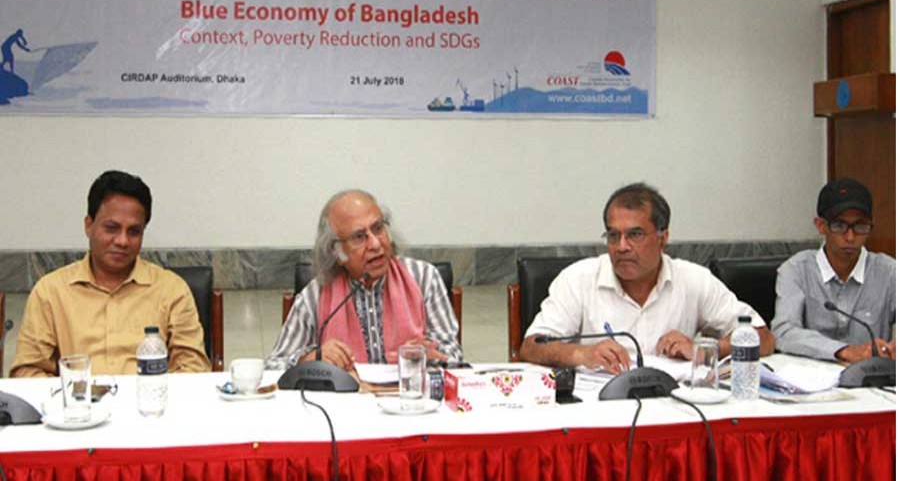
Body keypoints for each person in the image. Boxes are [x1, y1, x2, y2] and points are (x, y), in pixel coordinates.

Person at [519, 182, 775, 373]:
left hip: (675, 412)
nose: (621, 247)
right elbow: (531, 347)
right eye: (613, 235)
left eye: (635, 235)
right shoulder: (578, 279)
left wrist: (707, 349)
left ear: (663, 238)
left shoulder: (693, 279)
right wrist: (582, 353)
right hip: (597, 411)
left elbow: (763, 338)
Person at [11, 170, 210, 377]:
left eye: (134, 231)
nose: (122, 241)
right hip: (77, 405)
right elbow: (27, 371)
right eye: (112, 228)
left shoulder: (171, 290)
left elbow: (193, 370)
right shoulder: (51, 292)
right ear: (89, 226)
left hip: (149, 405)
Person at [269, 189, 462, 370]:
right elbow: (274, 366)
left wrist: (429, 356)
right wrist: (308, 359)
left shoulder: (423, 278)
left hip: (410, 400)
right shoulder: (316, 294)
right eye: (359, 237)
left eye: (378, 228)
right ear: (337, 252)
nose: (376, 244)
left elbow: (454, 357)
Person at [771, 177, 895, 363]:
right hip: (812, 381)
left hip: (872, 382)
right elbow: (784, 332)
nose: (851, 237)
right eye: (839, 225)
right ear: (821, 226)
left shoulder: (890, 272)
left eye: (860, 226)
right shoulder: (795, 270)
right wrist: (844, 351)